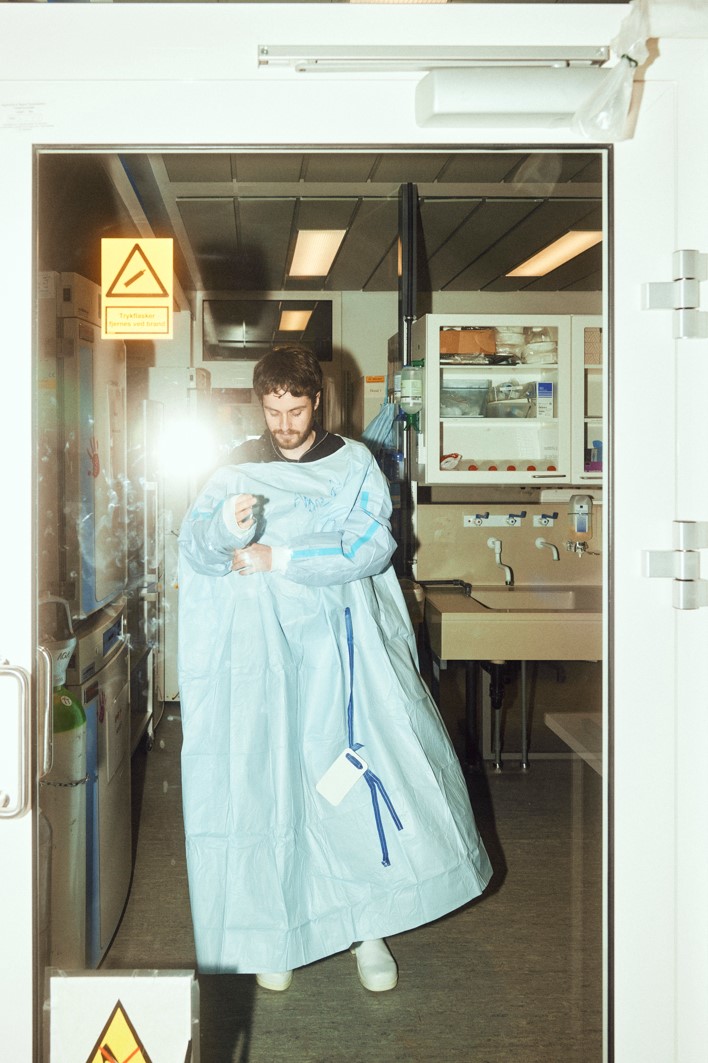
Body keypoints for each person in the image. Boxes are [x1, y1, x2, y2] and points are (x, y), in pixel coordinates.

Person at [177, 345, 492, 993]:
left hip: (338, 658)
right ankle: (276, 930)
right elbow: (196, 547)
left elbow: (371, 544)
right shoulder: (235, 465)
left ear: (316, 400)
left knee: (343, 781)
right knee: (270, 787)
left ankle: (365, 927)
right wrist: (227, 533)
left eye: (295, 409)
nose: (284, 424)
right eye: (273, 411)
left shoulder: (353, 465)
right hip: (261, 660)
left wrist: (279, 555)